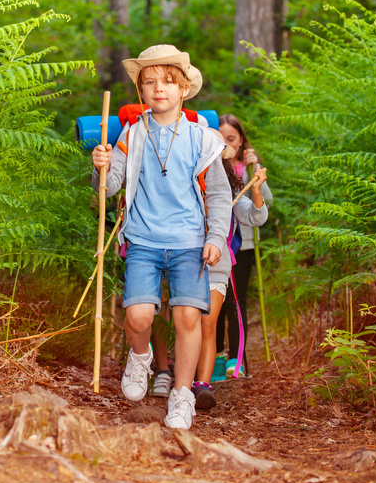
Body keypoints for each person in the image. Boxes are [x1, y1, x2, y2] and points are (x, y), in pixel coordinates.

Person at [91, 44, 232, 429]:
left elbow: (219, 194)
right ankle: (141, 358)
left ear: (184, 89)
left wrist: (216, 237)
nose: (159, 89)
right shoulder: (130, 136)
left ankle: (182, 395)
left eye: (168, 82)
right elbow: (110, 186)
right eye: (149, 82)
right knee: (138, 317)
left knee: (187, 316)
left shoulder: (203, 139)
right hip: (143, 241)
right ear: (141, 91)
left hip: (190, 241)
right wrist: (101, 167)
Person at [215, 114, 272, 379]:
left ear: (241, 140)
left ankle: (235, 358)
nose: (228, 144)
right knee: (215, 298)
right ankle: (215, 353)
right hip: (215, 241)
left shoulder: (249, 166)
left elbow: (266, 202)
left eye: (232, 139)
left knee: (236, 300)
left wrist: (256, 168)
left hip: (244, 243)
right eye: (222, 138)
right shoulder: (214, 164)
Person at [190, 142, 244, 408]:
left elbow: (254, 215)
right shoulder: (184, 178)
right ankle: (182, 377)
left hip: (216, 261)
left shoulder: (229, 190)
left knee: (207, 324)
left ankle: (202, 383)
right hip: (184, 257)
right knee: (187, 321)